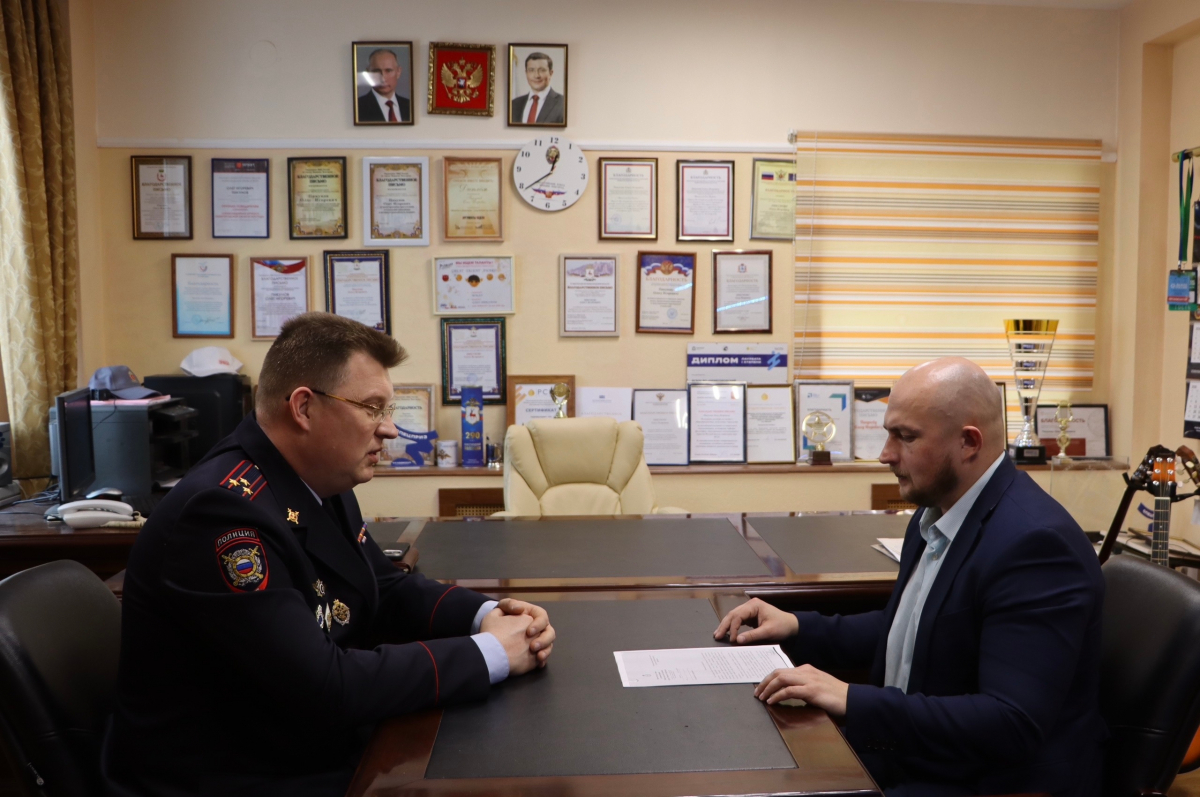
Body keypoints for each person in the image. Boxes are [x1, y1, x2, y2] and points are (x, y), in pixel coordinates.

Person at [103, 313, 555, 797]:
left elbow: (382, 586)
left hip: (296, 747)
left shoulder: (315, 480)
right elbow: (323, 688)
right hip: (236, 777)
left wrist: (488, 615)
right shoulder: (220, 515)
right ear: (304, 407)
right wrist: (490, 654)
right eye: (373, 408)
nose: (390, 430)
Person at [715, 357, 1105, 797]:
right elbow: (915, 629)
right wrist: (798, 627)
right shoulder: (936, 513)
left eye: (906, 436)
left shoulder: (1035, 546)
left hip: (990, 782)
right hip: (918, 756)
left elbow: (1011, 723)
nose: (886, 453)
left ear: (968, 442)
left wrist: (852, 699)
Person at [510, 51, 564, 125]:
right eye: (531, 70)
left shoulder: (563, 104)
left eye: (542, 70)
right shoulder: (514, 104)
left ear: (550, 73)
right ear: (526, 73)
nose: (536, 75)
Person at [357, 48, 410, 123]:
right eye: (376, 71)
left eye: (388, 71)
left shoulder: (409, 105)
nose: (383, 78)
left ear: (398, 72)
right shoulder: (358, 107)